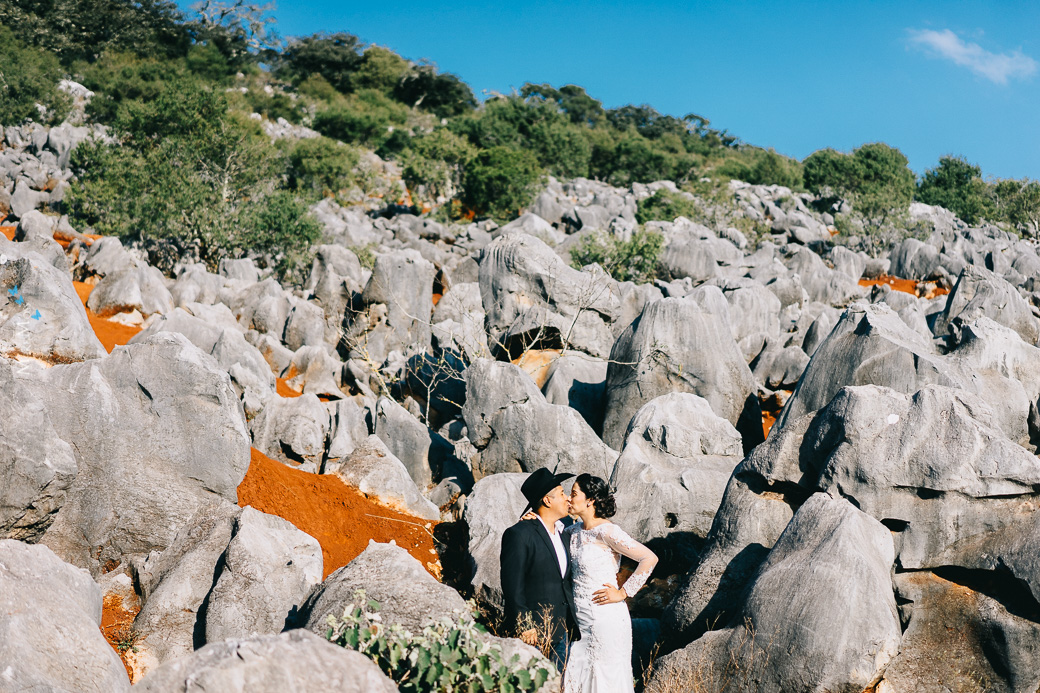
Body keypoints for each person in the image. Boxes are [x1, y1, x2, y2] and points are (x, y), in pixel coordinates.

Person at [562, 473, 658, 693]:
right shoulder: (572, 531)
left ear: (590, 500)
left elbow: (649, 558)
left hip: (607, 618)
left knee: (605, 677)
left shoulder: (607, 531)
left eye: (574, 493)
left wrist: (623, 593)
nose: (569, 498)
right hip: (581, 620)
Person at [500, 467, 580, 671]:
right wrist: (524, 625)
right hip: (535, 633)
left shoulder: (564, 533)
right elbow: (512, 585)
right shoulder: (519, 534)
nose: (567, 499)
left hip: (565, 630)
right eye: (562, 494)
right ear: (547, 500)